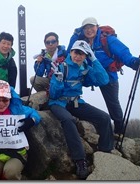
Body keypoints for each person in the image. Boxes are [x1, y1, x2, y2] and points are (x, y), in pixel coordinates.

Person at [49, 40, 114, 179]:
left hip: (76, 102)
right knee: (68, 119)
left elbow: (103, 80)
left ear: (86, 56)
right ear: (71, 52)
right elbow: (54, 94)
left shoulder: (85, 68)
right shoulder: (62, 67)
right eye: (76, 52)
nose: (78, 56)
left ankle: (105, 150)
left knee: (104, 117)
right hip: (58, 103)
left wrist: (94, 59)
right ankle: (80, 160)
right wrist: (59, 81)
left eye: (82, 54)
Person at [66, 17, 140, 136]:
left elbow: (123, 52)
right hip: (89, 74)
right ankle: (70, 110)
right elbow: (70, 52)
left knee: (113, 103)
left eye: (91, 27)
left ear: (97, 27)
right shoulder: (81, 40)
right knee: (70, 87)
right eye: (86, 28)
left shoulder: (107, 39)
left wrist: (133, 62)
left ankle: (119, 130)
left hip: (108, 76)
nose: (89, 30)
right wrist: (75, 35)